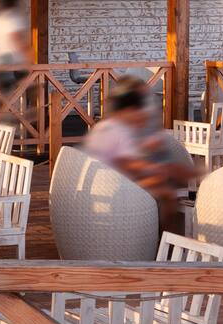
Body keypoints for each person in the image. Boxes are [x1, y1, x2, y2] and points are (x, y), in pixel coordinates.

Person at [84, 84, 197, 234]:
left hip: (98, 181)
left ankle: (160, 231)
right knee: (167, 189)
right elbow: (126, 163)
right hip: (115, 186)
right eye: (137, 110)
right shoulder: (119, 130)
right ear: (128, 110)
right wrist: (155, 169)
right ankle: (164, 236)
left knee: (165, 181)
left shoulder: (104, 126)